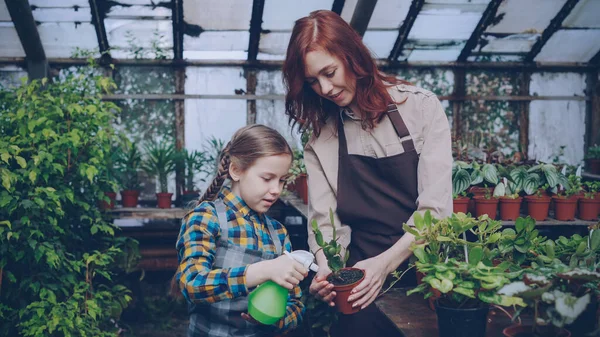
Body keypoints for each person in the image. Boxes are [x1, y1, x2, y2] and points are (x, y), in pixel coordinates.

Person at [282, 10, 453, 337]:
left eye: (329, 72)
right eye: (313, 81)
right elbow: (324, 219)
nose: (326, 88)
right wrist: (328, 268)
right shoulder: (322, 135)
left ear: (352, 56)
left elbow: (437, 212)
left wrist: (385, 265)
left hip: (427, 271)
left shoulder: (420, 109)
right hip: (358, 279)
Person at [174, 125, 308, 337]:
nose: (276, 190)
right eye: (267, 178)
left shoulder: (279, 233)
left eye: (282, 180)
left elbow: (295, 305)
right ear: (236, 170)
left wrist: (275, 319)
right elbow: (192, 284)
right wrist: (262, 271)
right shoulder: (206, 218)